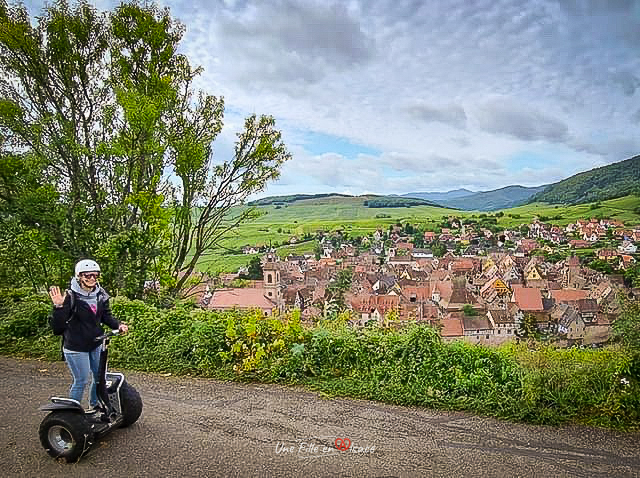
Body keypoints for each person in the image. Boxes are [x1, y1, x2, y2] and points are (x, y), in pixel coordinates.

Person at [49, 259, 128, 411]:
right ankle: (71, 414)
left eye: (95, 275)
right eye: (87, 275)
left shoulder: (100, 294)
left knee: (100, 378)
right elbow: (57, 328)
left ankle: (95, 405)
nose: (92, 279)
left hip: (96, 343)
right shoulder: (70, 297)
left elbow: (106, 316)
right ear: (79, 276)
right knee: (81, 380)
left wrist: (118, 324)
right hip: (76, 347)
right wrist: (58, 307)